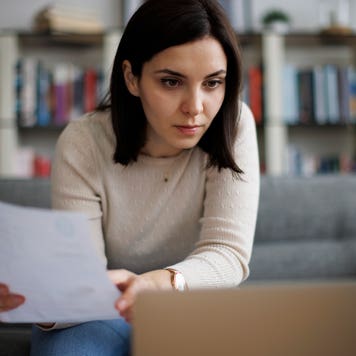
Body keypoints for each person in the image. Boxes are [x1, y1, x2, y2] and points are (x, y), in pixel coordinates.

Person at [2, 0, 260, 355]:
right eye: (172, 82)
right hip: (99, 312)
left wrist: (162, 283)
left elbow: (228, 254)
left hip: (191, 303)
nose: (196, 107)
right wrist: (38, 300)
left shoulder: (234, 124)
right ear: (131, 77)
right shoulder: (83, 142)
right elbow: (82, 280)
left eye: (213, 83)